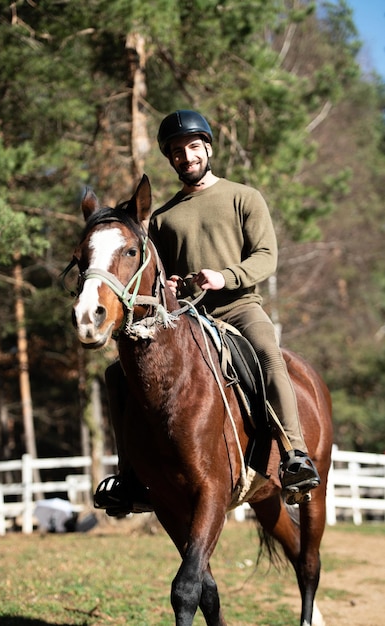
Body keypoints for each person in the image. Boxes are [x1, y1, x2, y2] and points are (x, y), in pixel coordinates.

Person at [94, 109, 320, 515]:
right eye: (177, 151)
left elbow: (266, 257)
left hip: (238, 308)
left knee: (268, 355)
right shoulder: (161, 217)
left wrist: (225, 276)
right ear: (171, 159)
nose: (186, 156)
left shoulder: (243, 197)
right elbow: (157, 271)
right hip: (185, 318)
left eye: (193, 147)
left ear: (208, 148)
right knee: (117, 374)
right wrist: (168, 286)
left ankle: (294, 455)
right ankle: (129, 477)